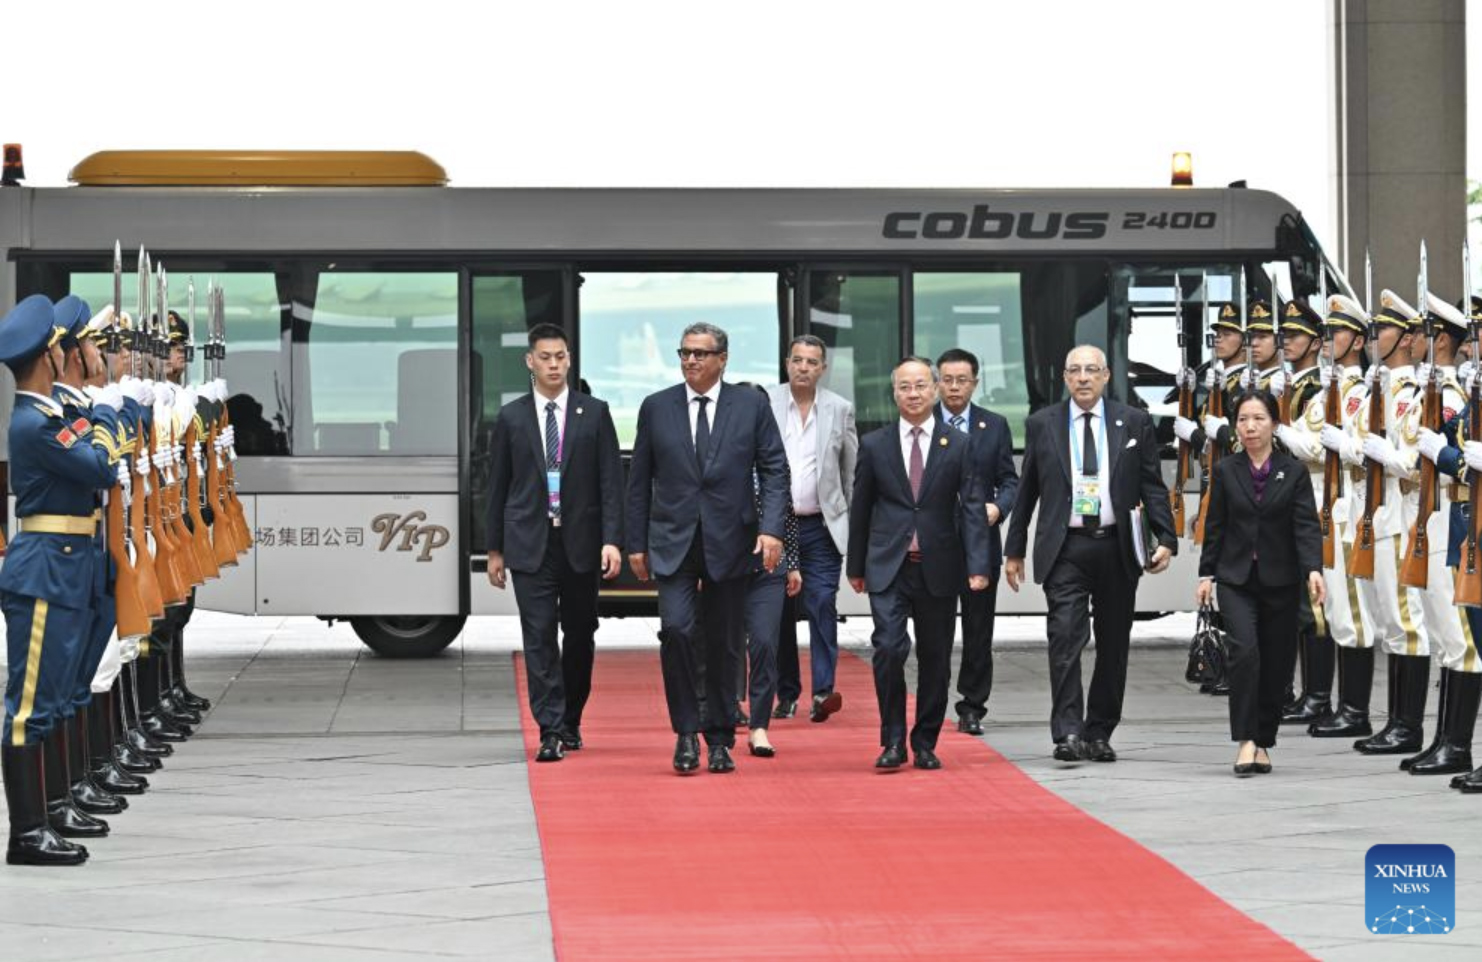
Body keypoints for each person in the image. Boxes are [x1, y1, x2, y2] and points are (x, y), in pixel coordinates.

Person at [627, 323, 788, 774]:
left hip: (732, 542)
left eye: (701, 353)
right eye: (685, 353)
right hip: (673, 541)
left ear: (723, 359)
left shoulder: (750, 405)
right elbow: (638, 480)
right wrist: (635, 542)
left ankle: (719, 738)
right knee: (677, 631)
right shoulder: (657, 406)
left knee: (724, 643)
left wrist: (772, 530)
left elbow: (775, 469)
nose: (691, 361)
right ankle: (685, 732)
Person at [1004, 345, 1176, 763]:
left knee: (1114, 644)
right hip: (1066, 547)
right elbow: (1027, 491)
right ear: (1065, 377)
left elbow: (1151, 484)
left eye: (1091, 370)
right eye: (1075, 371)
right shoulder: (1043, 423)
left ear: (1105, 376)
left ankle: (1099, 731)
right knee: (1064, 637)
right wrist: (1015, 549)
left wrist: (1166, 538)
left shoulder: (1132, 421)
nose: (1083, 377)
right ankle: (1067, 731)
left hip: (1117, 546)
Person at [1, 294, 124, 865]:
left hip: (66, 564)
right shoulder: (35, 424)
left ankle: (52, 809)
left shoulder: (48, 418)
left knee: (58, 695)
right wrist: (107, 412)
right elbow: (101, 467)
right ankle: (27, 832)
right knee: (31, 706)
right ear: (47, 358)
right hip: (45, 570)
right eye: (61, 348)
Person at [487, 324, 623, 762]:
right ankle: (549, 727)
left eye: (560, 357)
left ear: (569, 360)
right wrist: (495, 549)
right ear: (530, 361)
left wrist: (612, 540)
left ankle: (571, 718)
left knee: (580, 633)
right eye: (544, 357)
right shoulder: (512, 417)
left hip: (581, 541)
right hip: (530, 542)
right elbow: (498, 485)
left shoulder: (594, 412)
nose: (553, 364)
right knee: (538, 634)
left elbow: (611, 482)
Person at [847, 357, 990, 770]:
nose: (913, 394)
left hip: (939, 565)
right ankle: (892, 740)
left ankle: (925, 740)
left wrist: (978, 564)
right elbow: (861, 508)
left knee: (936, 658)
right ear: (894, 393)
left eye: (921, 386)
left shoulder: (958, 443)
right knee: (888, 648)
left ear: (935, 389)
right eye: (904, 387)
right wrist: (856, 566)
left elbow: (973, 507)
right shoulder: (875, 444)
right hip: (888, 565)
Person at [1319, 292, 1427, 754]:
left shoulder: (1408, 394)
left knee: (1406, 621)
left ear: (1407, 338)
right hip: (1371, 514)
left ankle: (1407, 725)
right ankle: (1395, 721)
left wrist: (1353, 448)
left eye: (1383, 329)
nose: (1374, 337)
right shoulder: (1376, 392)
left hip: (1400, 516)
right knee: (1387, 620)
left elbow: (1407, 459)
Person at [1196, 392, 1326, 775]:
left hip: (1281, 579)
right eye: (1242, 420)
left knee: (1276, 663)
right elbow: (1215, 527)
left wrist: (1313, 569)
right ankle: (1245, 741)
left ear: (1275, 424)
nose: (1250, 427)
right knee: (1244, 653)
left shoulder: (1294, 471)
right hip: (1235, 578)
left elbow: (1306, 525)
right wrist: (1206, 574)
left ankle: (1264, 740)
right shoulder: (1226, 470)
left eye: (1258, 419)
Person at [1273, 297, 1370, 735]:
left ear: (1358, 341)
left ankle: (1344, 706)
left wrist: (1277, 428)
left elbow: (1313, 446)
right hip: (1315, 503)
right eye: (1326, 331)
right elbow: (1308, 439)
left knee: (1340, 610)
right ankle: (1324, 699)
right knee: (1318, 606)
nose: (1328, 339)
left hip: (1337, 507)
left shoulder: (1355, 392)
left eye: (1337, 332)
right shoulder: (1329, 391)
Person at [1406, 293, 1480, 777]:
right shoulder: (1471, 393)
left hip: (1468, 517)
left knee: (1465, 640)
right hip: (1463, 524)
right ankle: (1450, 741)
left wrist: (1449, 455)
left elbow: (1457, 457)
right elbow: (1448, 439)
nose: (1472, 347)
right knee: (1458, 635)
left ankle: (1456, 744)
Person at [767, 335, 856, 723]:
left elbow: (850, 473)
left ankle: (823, 691)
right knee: (778, 610)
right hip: (774, 526)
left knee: (821, 602)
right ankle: (786, 692)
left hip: (822, 525)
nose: (803, 367)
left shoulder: (840, 408)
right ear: (787, 363)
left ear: (823, 368)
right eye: (797, 360)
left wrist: (853, 524)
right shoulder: (765, 403)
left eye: (812, 362)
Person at [935, 348, 1018, 735]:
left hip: (980, 544)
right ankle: (934, 701)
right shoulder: (923, 422)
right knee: (935, 630)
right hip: (935, 543)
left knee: (978, 630)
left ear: (975, 383)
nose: (954, 387)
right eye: (947, 380)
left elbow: (1010, 480)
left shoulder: (994, 425)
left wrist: (998, 508)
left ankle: (972, 705)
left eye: (962, 380)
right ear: (938, 382)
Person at [1268, 299, 1335, 725]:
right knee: (1294, 603)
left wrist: (1277, 424)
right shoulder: (1290, 385)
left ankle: (1318, 695)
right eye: (1285, 336)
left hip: (1314, 499)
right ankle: (1303, 692)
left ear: (1314, 342)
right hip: (1287, 501)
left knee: (1315, 606)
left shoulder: (1318, 390)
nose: (1286, 343)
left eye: (1295, 336)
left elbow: (1312, 446)